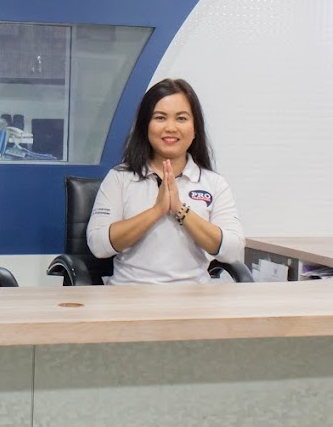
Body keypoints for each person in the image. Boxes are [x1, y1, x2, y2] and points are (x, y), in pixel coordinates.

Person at [86, 78, 243, 285]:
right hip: (129, 298)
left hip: (194, 300)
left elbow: (232, 251)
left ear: (195, 128)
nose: (170, 127)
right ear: (145, 126)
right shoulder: (120, 177)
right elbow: (98, 245)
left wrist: (180, 209)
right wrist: (156, 211)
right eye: (160, 118)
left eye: (181, 118)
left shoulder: (214, 184)